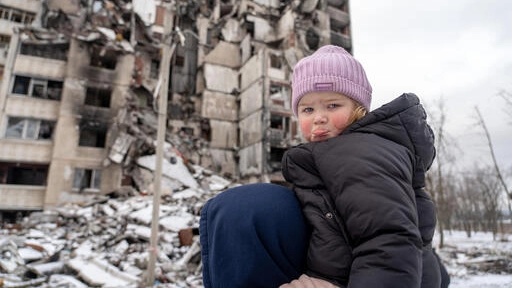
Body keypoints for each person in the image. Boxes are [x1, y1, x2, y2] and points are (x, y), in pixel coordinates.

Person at [199, 45, 448, 288]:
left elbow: (388, 241)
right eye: (307, 109)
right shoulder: (332, 157)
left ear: (359, 111)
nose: (319, 117)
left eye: (333, 106)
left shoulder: (363, 153)